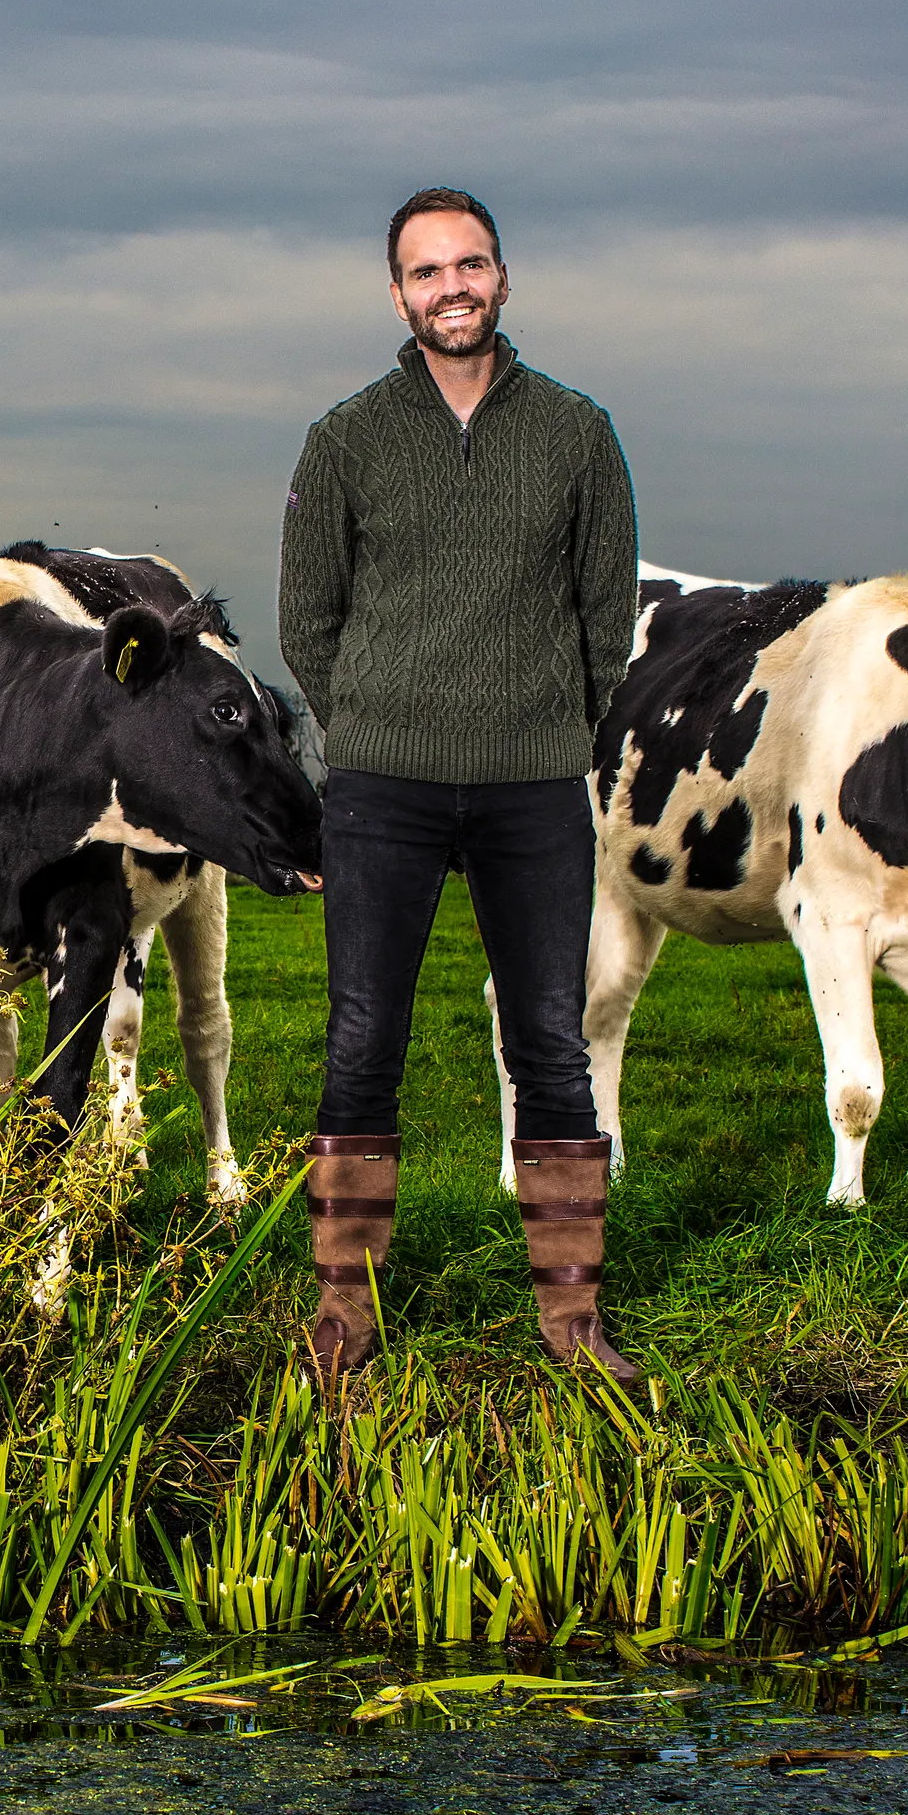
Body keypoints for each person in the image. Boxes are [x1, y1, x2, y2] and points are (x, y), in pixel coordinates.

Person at [277, 186, 640, 1383]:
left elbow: (604, 618)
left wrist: (554, 728)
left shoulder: (579, 434)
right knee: (362, 1036)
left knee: (551, 1037)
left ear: (503, 275)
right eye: (426, 271)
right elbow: (307, 621)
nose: (452, 287)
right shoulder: (346, 438)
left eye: (470, 263)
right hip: (383, 783)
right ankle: (344, 1314)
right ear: (397, 293)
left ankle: (574, 1323)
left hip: (535, 783)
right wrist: (374, 723)